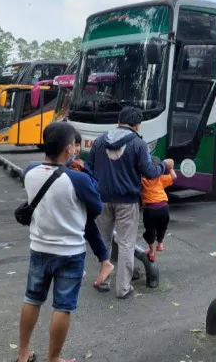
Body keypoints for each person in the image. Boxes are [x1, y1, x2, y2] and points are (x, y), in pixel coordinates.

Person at [17, 122, 104, 362]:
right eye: (74, 147)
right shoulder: (78, 180)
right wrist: (82, 170)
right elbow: (96, 208)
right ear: (69, 148)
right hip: (70, 253)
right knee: (62, 306)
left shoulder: (29, 172)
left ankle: (23, 353)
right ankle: (53, 359)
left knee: (32, 299)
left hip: (39, 247)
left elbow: (38, 166)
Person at [85, 106, 173, 299]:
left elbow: (89, 168)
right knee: (126, 243)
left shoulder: (100, 141)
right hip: (127, 200)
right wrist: (164, 166)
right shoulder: (137, 143)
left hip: (102, 198)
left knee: (104, 240)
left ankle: (104, 281)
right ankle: (123, 288)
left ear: (119, 120)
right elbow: (149, 172)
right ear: (137, 124)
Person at [66, 131, 114, 285]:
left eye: (79, 145)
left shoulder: (77, 163)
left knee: (87, 233)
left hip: (80, 205)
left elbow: (92, 183)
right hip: (76, 206)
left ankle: (100, 263)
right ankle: (104, 262)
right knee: (88, 233)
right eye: (75, 145)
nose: (77, 148)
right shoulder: (72, 164)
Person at [140, 156, 176, 261]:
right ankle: (160, 244)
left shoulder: (143, 180)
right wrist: (171, 168)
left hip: (150, 209)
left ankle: (152, 252)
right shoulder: (161, 178)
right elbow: (174, 177)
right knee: (162, 227)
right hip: (164, 208)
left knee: (150, 231)